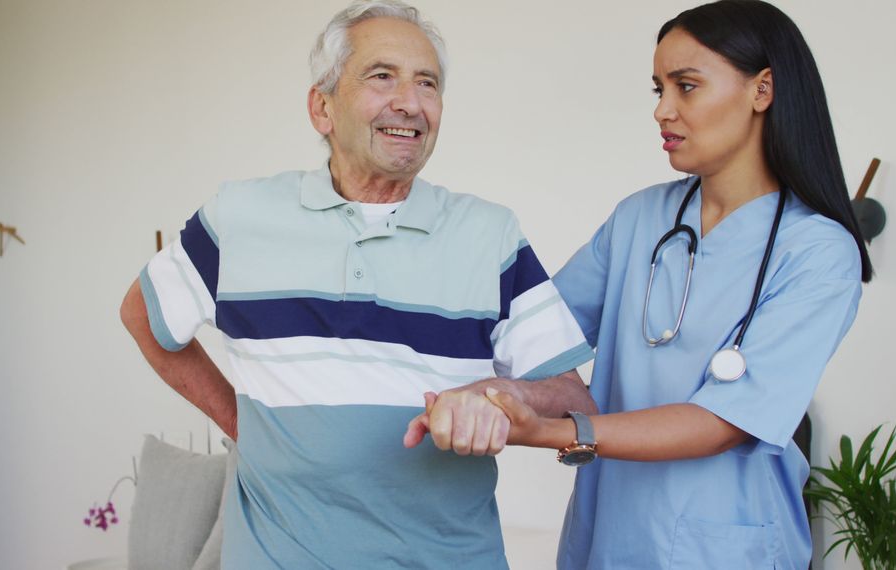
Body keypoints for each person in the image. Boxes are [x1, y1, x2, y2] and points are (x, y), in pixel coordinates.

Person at [119, 1, 595, 568]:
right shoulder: (239, 217)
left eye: (428, 83)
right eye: (381, 76)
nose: (410, 103)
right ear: (322, 107)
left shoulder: (490, 234)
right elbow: (142, 316)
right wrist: (245, 426)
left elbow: (573, 399)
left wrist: (499, 395)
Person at [483, 1, 872, 568]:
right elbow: (535, 336)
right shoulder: (639, 219)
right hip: (608, 534)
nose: (663, 110)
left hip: (728, 547)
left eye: (686, 86)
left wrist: (547, 429)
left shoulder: (817, 252)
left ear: (762, 90)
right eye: (658, 88)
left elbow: (724, 422)